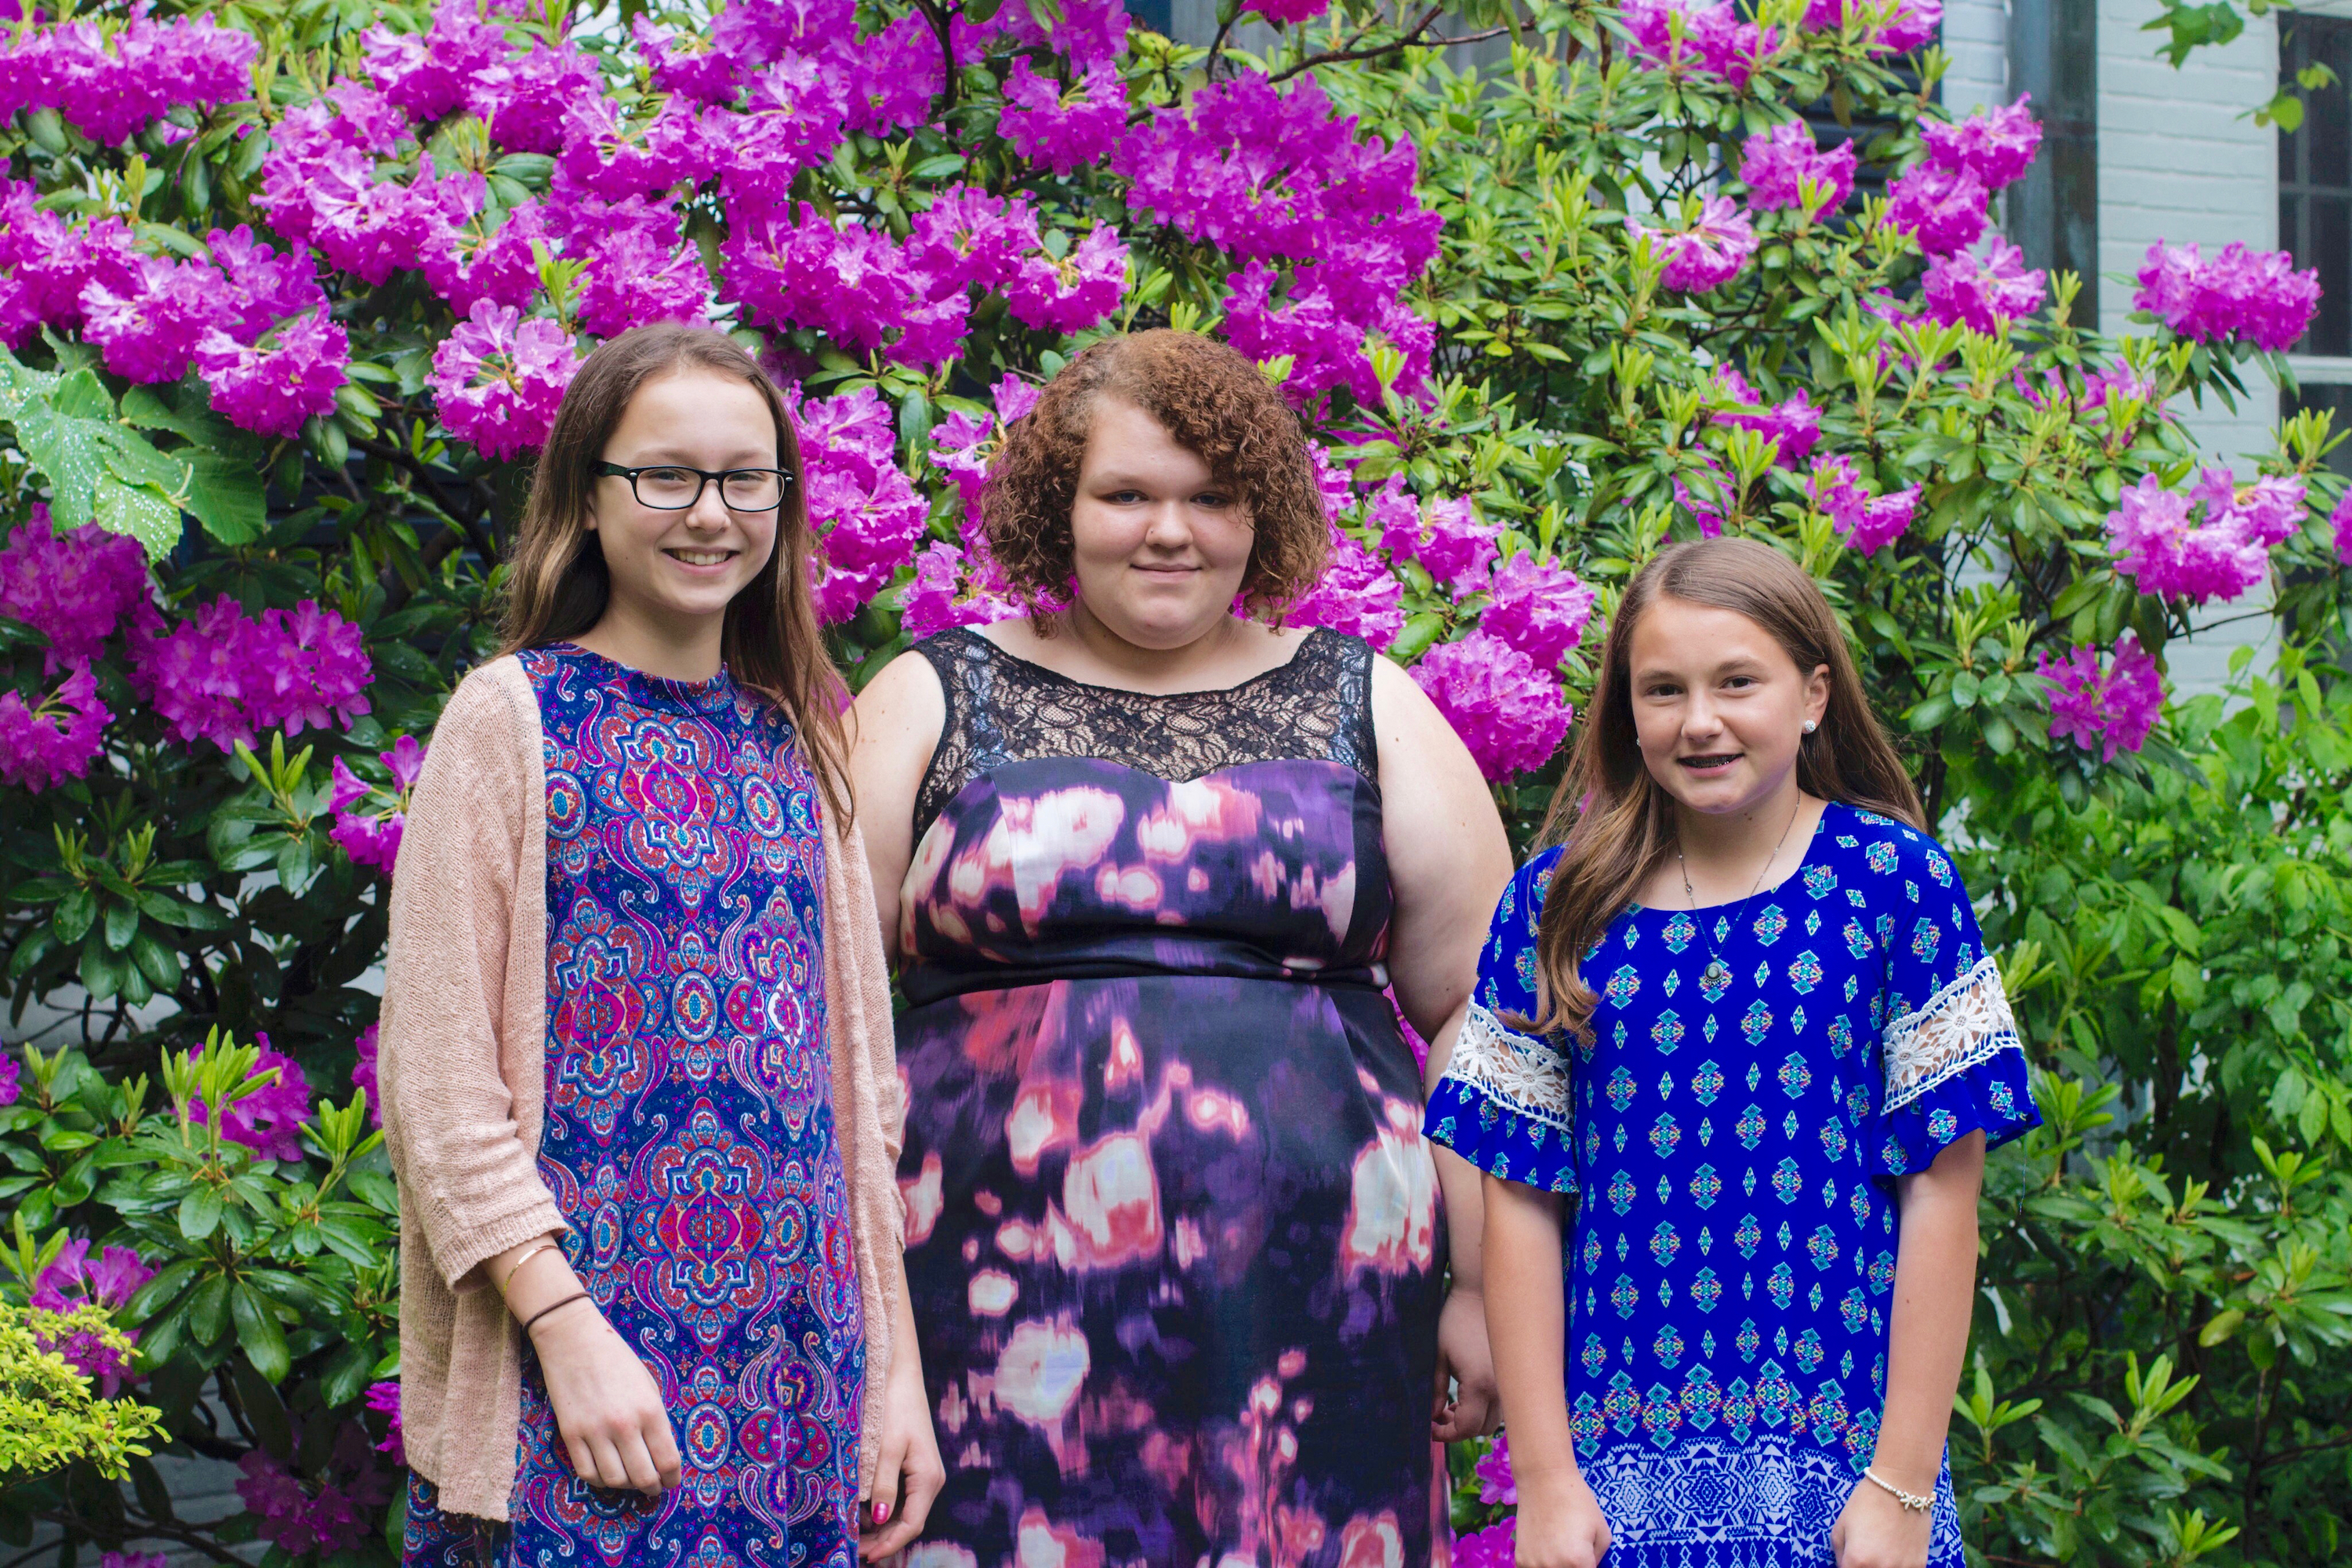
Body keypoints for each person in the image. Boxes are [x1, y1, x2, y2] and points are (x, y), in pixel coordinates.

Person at [848, 328, 1508, 1565]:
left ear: (1263, 517)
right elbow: (824, 1003)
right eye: (1129, 495)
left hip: (1327, 1311)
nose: (1172, 531)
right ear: (1062, 509)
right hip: (987, 1309)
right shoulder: (934, 697)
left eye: (1213, 498)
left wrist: (1480, 1290)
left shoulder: (1368, 701)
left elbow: (1485, 1012)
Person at [376, 323, 942, 1568]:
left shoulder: (802, 742)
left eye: (747, 478)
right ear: (589, 496)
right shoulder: (510, 719)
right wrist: (564, 1328)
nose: (711, 514)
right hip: (578, 1383)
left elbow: (861, 1102)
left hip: (797, 1384)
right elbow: (434, 1075)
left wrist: (890, 1374)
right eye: (665, 476)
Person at [1428, 536, 2039, 1568]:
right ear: (1628, 710)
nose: (1699, 720)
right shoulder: (1554, 906)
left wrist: (1899, 1485)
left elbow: (1945, 1194)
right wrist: (1544, 1479)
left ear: (1811, 695)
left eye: (1737, 682)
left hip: (1848, 1473)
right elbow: (1519, 1197)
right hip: (1614, 1483)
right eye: (1662, 690)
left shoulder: (1895, 884)